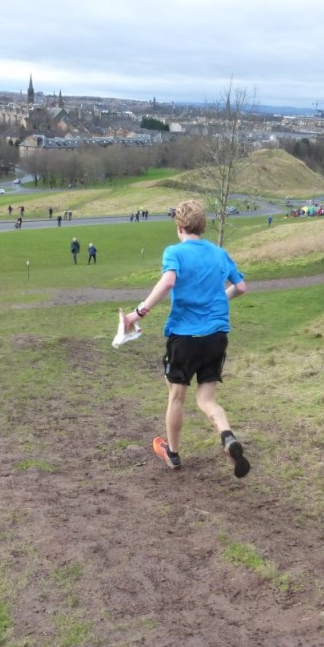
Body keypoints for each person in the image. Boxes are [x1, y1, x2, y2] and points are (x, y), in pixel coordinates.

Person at [122, 199, 250, 478]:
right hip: (216, 336)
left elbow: (168, 282)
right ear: (202, 226)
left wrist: (137, 314)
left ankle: (174, 454)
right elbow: (240, 287)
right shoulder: (219, 253)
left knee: (176, 396)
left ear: (179, 226)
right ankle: (227, 436)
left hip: (184, 337)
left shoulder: (175, 252)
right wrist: (220, 298)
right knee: (207, 399)